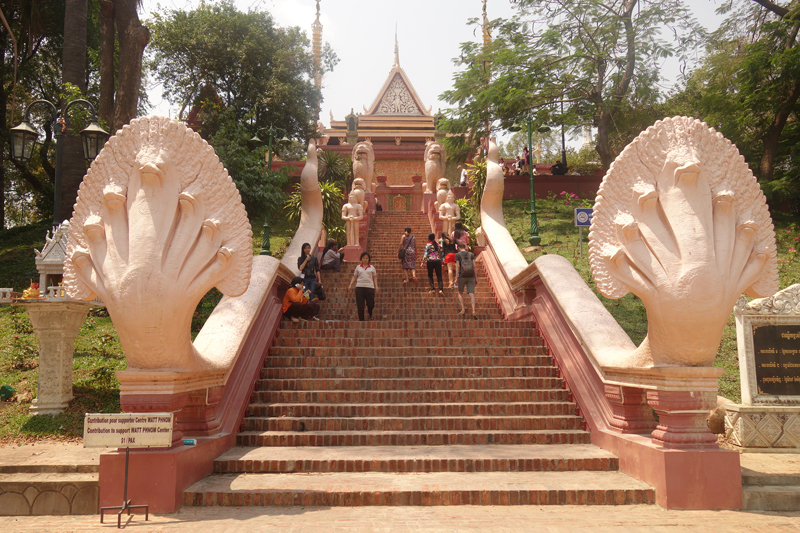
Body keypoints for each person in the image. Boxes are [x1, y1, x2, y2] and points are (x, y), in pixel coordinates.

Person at [349, 251, 379, 321]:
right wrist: (351, 284)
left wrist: (376, 286)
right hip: (359, 287)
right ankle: (361, 320)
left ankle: (370, 312)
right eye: (364, 258)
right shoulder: (358, 267)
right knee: (360, 305)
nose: (365, 259)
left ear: (369, 259)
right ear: (361, 259)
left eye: (366, 258)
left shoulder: (372, 267)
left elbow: (374, 277)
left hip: (370, 287)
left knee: (371, 303)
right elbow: (354, 276)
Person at [455, 242, 478, 319]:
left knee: (460, 292)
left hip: (462, 276)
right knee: (471, 293)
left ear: (458, 248)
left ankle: (463, 309)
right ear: (465, 247)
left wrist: (456, 277)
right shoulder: (471, 254)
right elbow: (474, 266)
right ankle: (474, 311)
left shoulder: (457, 255)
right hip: (471, 276)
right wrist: (476, 278)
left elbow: (458, 266)